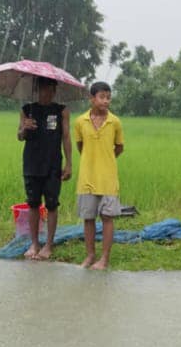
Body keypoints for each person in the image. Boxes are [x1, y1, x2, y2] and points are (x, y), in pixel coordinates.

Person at [17, 77, 72, 260]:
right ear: (37, 90)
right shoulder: (27, 110)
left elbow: (66, 137)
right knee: (33, 203)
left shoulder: (61, 111)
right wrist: (25, 128)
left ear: (54, 91)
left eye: (51, 90)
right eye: (43, 89)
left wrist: (69, 163)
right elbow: (19, 136)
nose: (47, 93)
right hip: (32, 163)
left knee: (52, 204)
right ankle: (34, 243)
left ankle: (48, 244)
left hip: (53, 163)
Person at [72, 81, 124, 270]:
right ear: (92, 98)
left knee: (108, 218)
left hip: (108, 179)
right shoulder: (80, 122)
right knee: (88, 218)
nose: (106, 101)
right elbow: (80, 146)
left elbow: (119, 147)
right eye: (102, 97)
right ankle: (90, 255)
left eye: (108, 97)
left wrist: (106, 159)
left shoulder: (115, 122)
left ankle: (104, 258)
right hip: (87, 178)